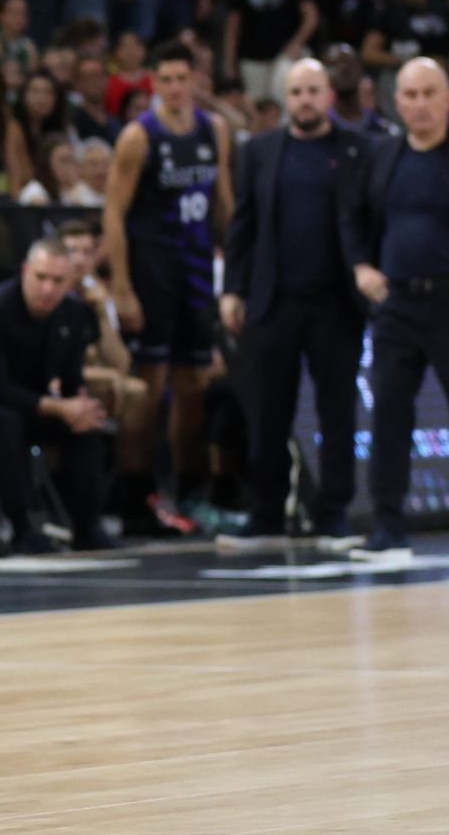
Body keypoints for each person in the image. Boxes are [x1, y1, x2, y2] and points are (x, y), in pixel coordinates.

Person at [222, 59, 366, 546]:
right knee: (268, 412)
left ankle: (335, 513)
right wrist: (232, 290)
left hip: (335, 303)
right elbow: (242, 225)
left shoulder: (356, 149)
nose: (305, 99)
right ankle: (265, 514)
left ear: (329, 95)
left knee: (337, 412)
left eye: (313, 90)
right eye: (297, 91)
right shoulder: (260, 151)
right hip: (273, 300)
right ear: (286, 98)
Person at [103, 40, 234, 528]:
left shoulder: (213, 128)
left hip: (197, 269)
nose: (176, 88)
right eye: (167, 80)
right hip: (153, 269)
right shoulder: (140, 136)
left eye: (183, 79)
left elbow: (222, 200)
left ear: (195, 79)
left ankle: (191, 489)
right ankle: (135, 493)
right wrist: (121, 286)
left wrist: (235, 264)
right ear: (154, 83)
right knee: (149, 385)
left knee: (195, 385)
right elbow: (113, 212)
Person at [342, 57, 449, 564]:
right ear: (396, 101)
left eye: (430, 93)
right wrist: (362, 266)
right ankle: (388, 528)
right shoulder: (383, 155)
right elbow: (353, 217)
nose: (420, 104)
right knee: (388, 412)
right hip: (398, 303)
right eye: (410, 95)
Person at [0, 238, 117, 554]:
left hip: (32, 400)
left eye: (58, 281)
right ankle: (22, 525)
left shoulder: (72, 313)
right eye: (41, 278)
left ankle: (87, 525)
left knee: (87, 426)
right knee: (8, 422)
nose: (48, 289)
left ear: (70, 282)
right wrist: (57, 406)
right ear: (25, 271)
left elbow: (70, 378)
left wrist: (78, 406)